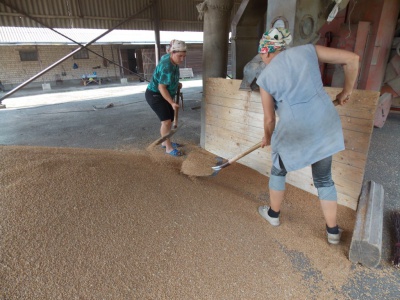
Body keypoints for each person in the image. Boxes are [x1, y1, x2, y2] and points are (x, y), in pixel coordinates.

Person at [255, 27, 359, 244]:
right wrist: (345, 92)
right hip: (325, 124)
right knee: (323, 179)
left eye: (261, 55)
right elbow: (352, 59)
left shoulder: (265, 77)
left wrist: (268, 137)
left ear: (266, 52)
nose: (262, 59)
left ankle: (273, 215)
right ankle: (333, 232)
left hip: (296, 129)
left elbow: (270, 120)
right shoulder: (308, 51)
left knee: (278, 168)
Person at [145, 40, 187, 156]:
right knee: (167, 122)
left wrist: (176, 83)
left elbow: (167, 52)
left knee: (169, 120)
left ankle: (164, 142)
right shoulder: (166, 66)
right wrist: (172, 103)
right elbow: (161, 88)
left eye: (184, 56)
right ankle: (168, 148)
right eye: (180, 56)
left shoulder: (169, 58)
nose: (182, 59)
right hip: (155, 95)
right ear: (172, 53)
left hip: (165, 94)